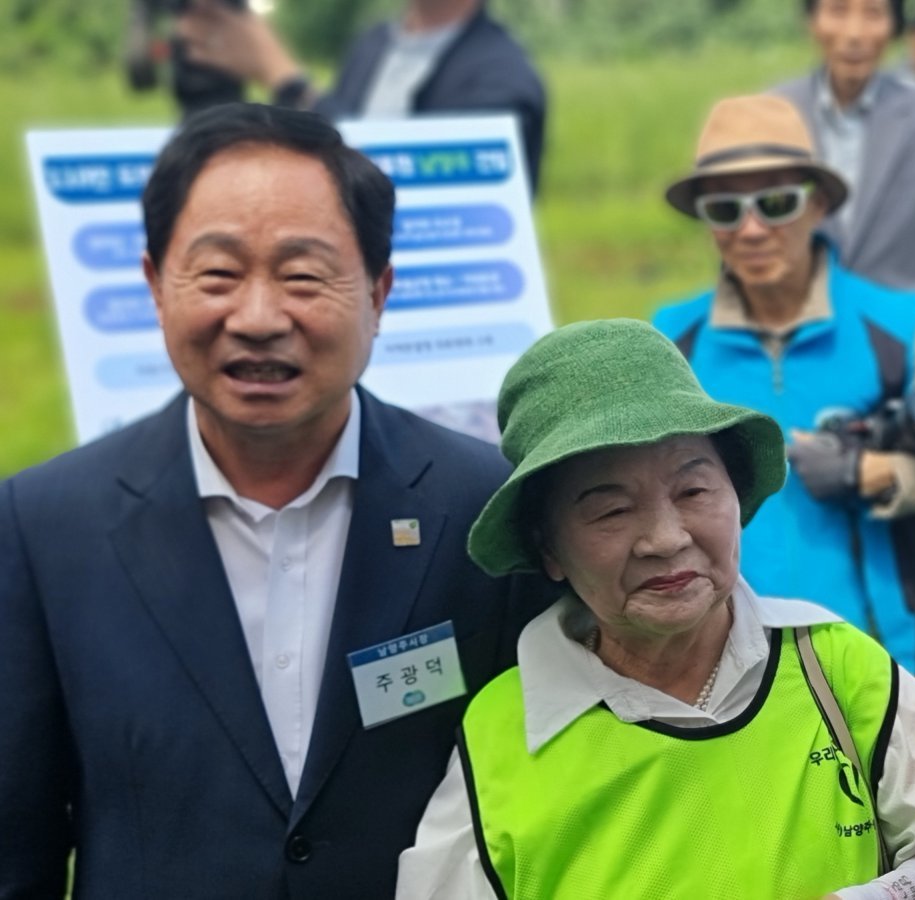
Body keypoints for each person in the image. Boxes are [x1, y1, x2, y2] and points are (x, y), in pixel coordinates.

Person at [0, 103, 542, 900]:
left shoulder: (485, 508)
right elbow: (20, 846)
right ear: (155, 285)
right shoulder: (45, 526)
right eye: (217, 275)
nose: (257, 319)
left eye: (302, 275)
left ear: (378, 292)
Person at [394, 318, 915, 899]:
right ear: (547, 548)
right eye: (611, 510)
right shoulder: (503, 734)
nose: (665, 538)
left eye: (693, 491)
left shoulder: (831, 665)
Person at [652, 94, 915, 691]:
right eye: (724, 208)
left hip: (884, 663)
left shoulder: (898, 331)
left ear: (818, 203)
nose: (750, 229)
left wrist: (878, 472)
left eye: (775, 203)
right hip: (723, 674)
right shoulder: (672, 344)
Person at [176, 0, 548, 193]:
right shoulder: (373, 43)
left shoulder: (503, 78)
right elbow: (334, 151)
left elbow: (421, 196)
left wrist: (281, 74)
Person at [775, 0, 915, 341]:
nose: (855, 34)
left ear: (894, 26)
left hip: (908, 347)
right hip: (799, 346)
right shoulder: (774, 113)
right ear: (812, 21)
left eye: (873, 13)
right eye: (838, 11)